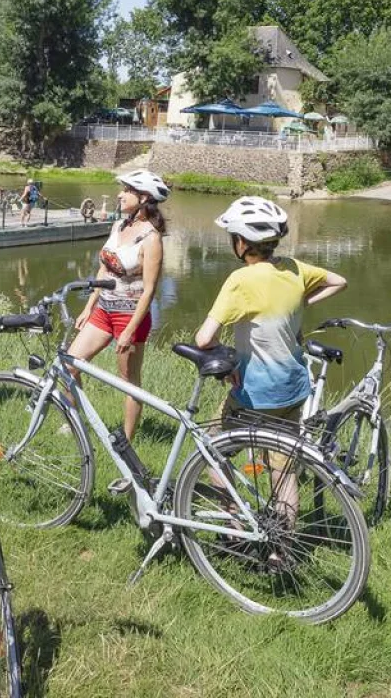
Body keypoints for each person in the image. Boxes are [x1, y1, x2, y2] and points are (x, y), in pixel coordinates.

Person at [195, 196, 347, 523]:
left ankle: (234, 525)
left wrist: (226, 365)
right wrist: (301, 302)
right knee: (284, 471)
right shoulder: (295, 269)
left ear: (241, 242)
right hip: (294, 390)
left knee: (212, 451)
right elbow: (339, 281)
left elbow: (204, 338)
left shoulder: (241, 281)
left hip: (254, 395)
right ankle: (283, 551)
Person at [68, 170, 169, 443]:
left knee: (129, 382)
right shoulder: (119, 226)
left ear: (144, 197)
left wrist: (130, 331)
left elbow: (149, 289)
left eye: (126, 190)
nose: (119, 194)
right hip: (103, 309)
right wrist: (89, 306)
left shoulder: (151, 239)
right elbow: (103, 271)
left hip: (130, 315)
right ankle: (76, 423)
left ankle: (125, 442)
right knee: (70, 365)